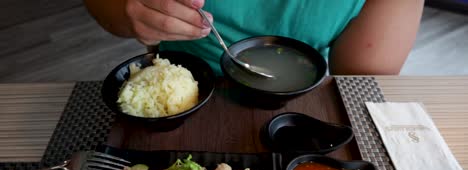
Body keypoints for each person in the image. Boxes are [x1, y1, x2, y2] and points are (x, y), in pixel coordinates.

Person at [83, 0, 424, 75]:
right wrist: (130, 11)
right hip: (182, 84)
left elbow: (360, 81)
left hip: (304, 101)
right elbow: (107, 8)